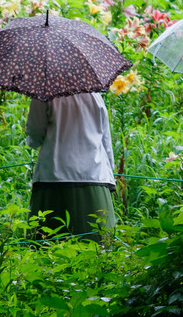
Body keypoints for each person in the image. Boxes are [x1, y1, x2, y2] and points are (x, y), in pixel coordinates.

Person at [24, 91, 117, 243]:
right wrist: (110, 176)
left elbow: (34, 136)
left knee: (47, 248)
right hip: (95, 179)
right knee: (98, 249)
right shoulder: (95, 96)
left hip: (53, 177)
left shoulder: (44, 93)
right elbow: (105, 139)